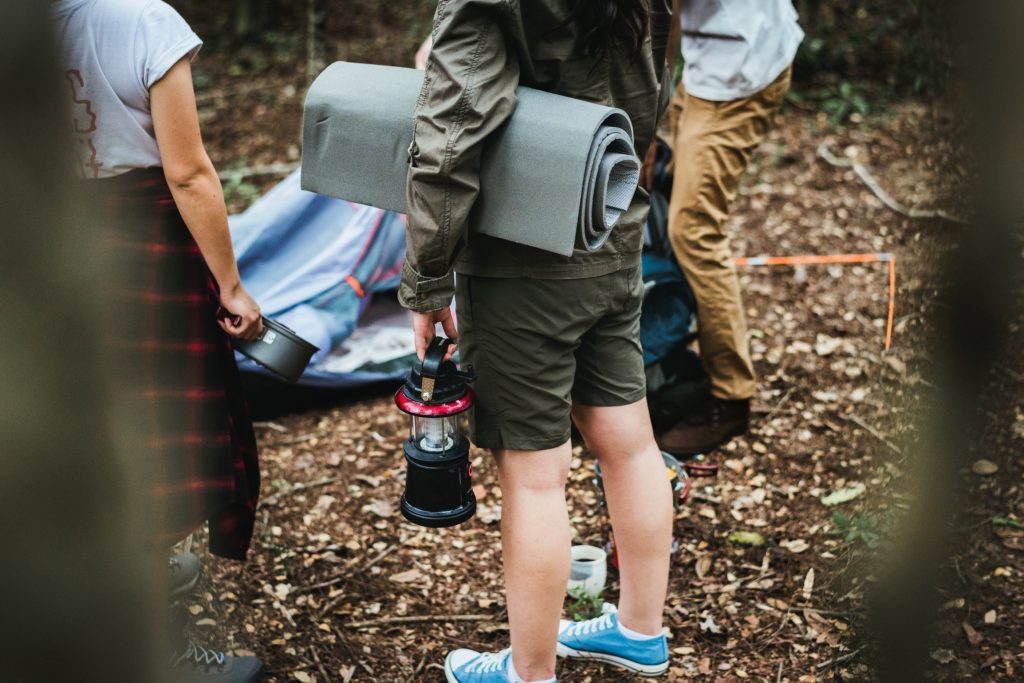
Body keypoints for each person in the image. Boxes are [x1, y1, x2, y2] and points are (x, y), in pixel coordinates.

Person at [400, 2, 676, 681]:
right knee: (630, 442)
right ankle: (641, 630)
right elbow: (651, 91)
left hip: (522, 260)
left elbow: (452, 133)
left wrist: (427, 278)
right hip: (612, 228)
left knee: (534, 477)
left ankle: (529, 672)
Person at [51, 0, 263, 680]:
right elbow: (189, 173)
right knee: (154, 439)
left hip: (62, 244)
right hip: (148, 246)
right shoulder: (144, 20)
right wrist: (230, 284)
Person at [654, 0, 804, 456]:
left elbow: (665, 16)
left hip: (736, 74)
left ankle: (730, 396)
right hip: (720, 58)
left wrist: (645, 124)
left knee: (693, 229)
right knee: (669, 184)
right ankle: (677, 344)